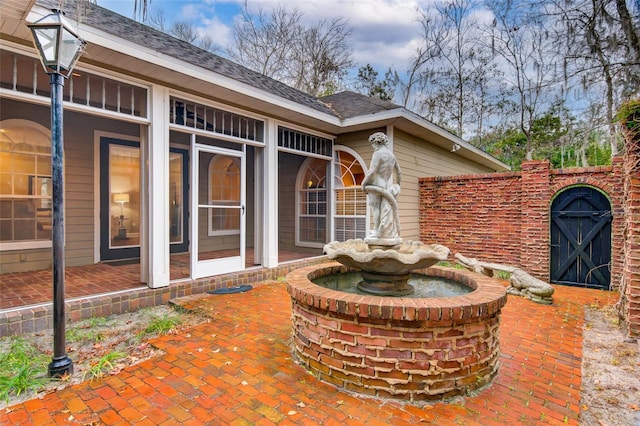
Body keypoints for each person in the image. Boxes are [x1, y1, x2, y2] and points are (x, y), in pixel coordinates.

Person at [361, 132, 401, 243]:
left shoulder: (378, 153)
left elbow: (372, 171)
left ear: (377, 142)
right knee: (383, 209)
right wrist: (398, 185)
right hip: (385, 186)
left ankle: (377, 230)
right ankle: (381, 231)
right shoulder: (392, 156)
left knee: (375, 208)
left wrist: (363, 184)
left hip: (375, 185)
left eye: (373, 144)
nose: (373, 147)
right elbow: (398, 172)